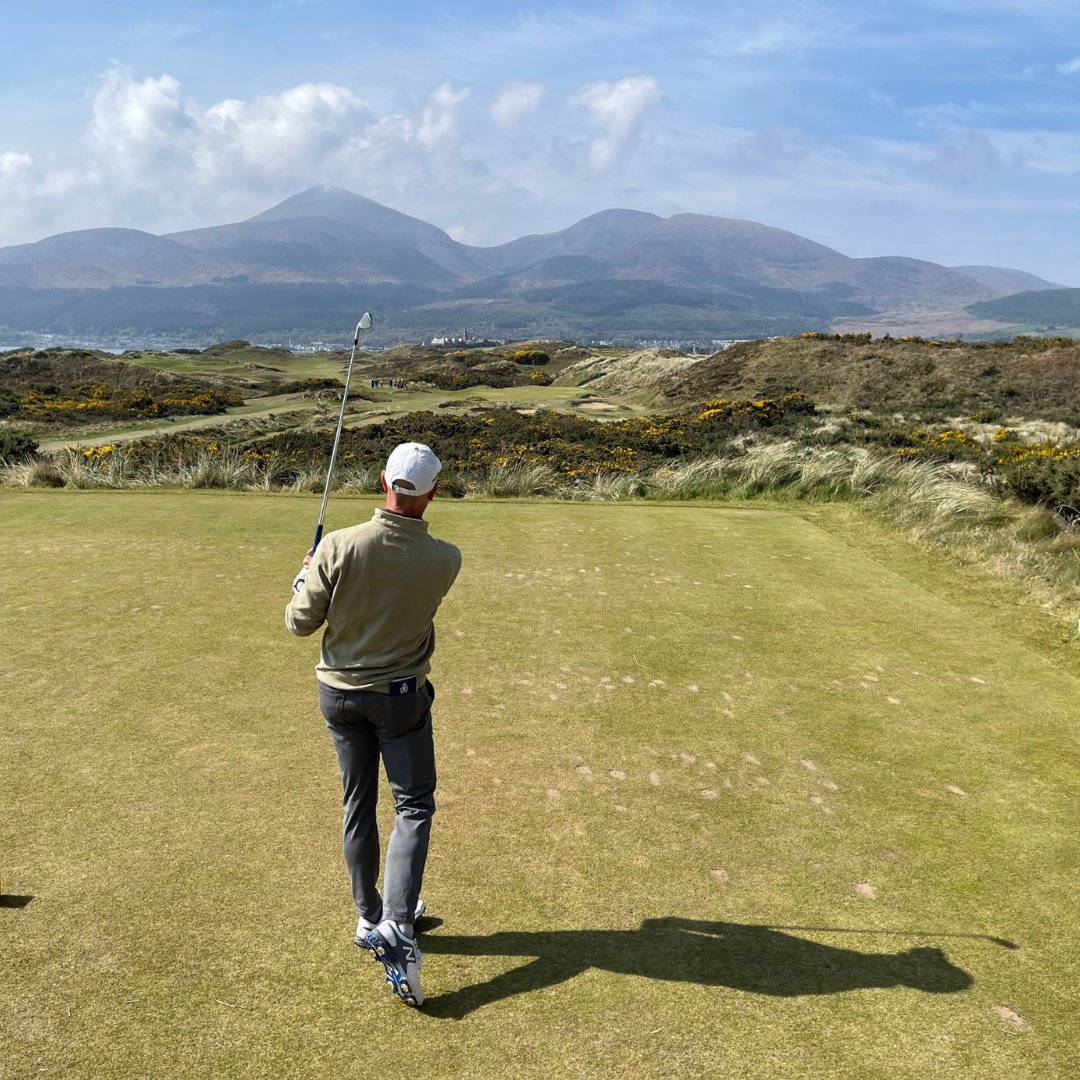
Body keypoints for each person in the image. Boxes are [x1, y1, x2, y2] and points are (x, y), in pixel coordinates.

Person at [285, 442, 462, 1007]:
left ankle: (369, 918)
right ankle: (398, 925)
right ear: (432, 492)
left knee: (357, 802)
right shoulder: (445, 558)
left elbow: (298, 624)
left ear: (383, 479)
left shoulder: (337, 545)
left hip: (338, 696)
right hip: (401, 698)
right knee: (412, 806)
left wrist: (304, 579)